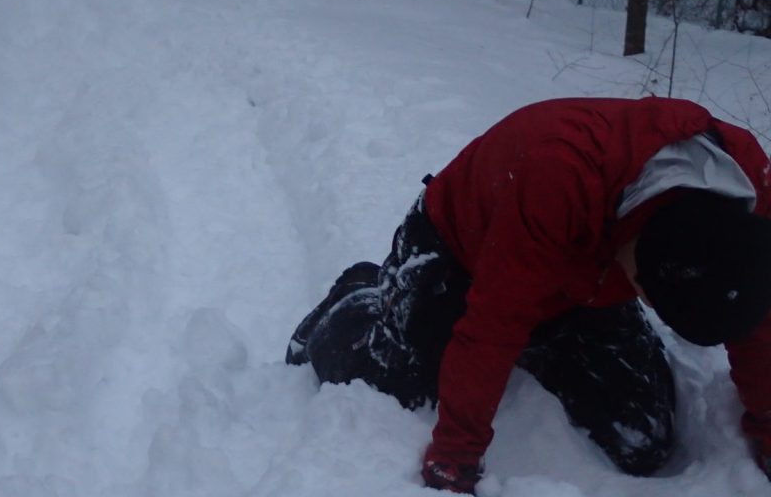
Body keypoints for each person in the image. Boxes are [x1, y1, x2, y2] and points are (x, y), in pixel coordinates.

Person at [285, 97, 771, 494]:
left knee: (641, 440)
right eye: (643, 293)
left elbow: (754, 312)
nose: (642, 301)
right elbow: (494, 323)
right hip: (465, 249)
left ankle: (547, 337)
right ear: (637, 250)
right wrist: (456, 456)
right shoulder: (558, 171)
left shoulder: (747, 181)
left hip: (584, 277)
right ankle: (361, 297)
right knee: (397, 379)